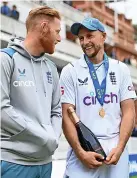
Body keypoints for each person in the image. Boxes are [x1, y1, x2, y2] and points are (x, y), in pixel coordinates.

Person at [60, 17, 136, 178]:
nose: (85, 41)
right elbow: (66, 116)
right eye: (81, 38)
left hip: (116, 151)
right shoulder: (70, 71)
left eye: (89, 36)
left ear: (103, 36)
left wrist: (121, 147)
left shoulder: (121, 69)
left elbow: (129, 112)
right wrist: (81, 153)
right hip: (84, 152)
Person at [1, 6, 62, 178]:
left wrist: (53, 137)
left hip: (45, 164)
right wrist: (43, 136)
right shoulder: (6, 59)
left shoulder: (51, 68)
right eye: (57, 31)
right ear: (44, 28)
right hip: (15, 162)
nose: (60, 38)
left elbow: (56, 110)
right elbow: (2, 111)